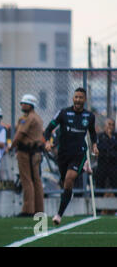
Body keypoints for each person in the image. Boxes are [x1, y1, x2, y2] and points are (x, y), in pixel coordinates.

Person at [44, 87, 98, 225]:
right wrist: (47, 142)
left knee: (69, 179)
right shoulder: (63, 113)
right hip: (63, 154)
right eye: (76, 97)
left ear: (84, 100)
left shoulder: (89, 116)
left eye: (81, 97)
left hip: (79, 153)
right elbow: (49, 129)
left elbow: (92, 133)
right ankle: (83, 170)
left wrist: (94, 146)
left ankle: (58, 215)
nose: (78, 100)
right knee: (66, 184)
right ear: (73, 98)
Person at [10, 94, 45, 217]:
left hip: (26, 152)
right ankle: (39, 209)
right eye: (22, 103)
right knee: (36, 181)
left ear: (31, 105)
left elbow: (20, 134)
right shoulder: (38, 118)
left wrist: (11, 146)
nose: (22, 105)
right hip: (36, 153)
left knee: (26, 180)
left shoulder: (27, 118)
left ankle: (28, 209)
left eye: (24, 103)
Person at [96, 118, 117, 213]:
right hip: (102, 164)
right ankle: (98, 208)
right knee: (99, 185)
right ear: (105, 126)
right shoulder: (100, 136)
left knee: (115, 184)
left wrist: (110, 139)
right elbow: (101, 148)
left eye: (112, 125)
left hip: (113, 165)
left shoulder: (115, 137)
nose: (111, 127)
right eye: (109, 124)